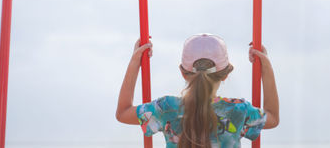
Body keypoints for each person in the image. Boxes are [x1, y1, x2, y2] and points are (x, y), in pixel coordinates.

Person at [116, 33, 279, 148]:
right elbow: (272, 117)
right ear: (225, 75)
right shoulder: (238, 110)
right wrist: (265, 65)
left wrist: (135, 60)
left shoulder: (167, 108)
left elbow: (123, 112)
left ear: (183, 73)